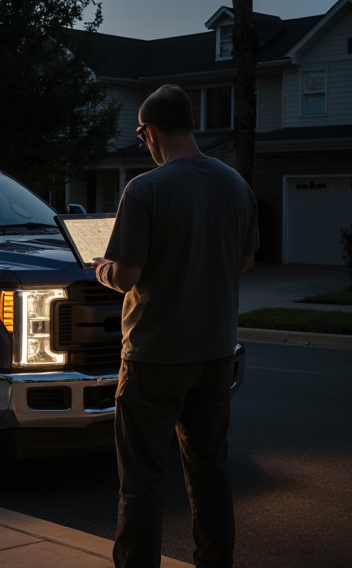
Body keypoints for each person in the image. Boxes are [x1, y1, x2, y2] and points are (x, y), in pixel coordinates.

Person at [92, 84, 258, 568]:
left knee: (142, 480)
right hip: (215, 355)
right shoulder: (237, 185)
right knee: (210, 472)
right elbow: (245, 259)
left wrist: (101, 267)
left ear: (149, 131)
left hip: (154, 358)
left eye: (142, 133)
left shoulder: (145, 189)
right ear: (190, 125)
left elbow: (127, 275)